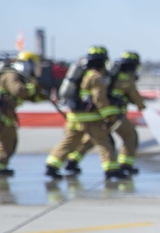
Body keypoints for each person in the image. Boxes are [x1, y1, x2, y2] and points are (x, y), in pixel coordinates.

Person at [45, 46, 127, 181]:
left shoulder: (83, 74)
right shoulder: (96, 77)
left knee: (69, 143)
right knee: (104, 143)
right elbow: (100, 99)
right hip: (91, 119)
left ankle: (51, 166)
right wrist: (110, 115)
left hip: (74, 117)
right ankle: (111, 170)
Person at [65, 51, 147, 176]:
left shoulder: (109, 76)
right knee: (130, 135)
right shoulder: (126, 78)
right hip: (113, 114)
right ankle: (124, 165)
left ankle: (73, 160)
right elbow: (134, 96)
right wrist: (142, 106)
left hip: (100, 113)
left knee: (91, 139)